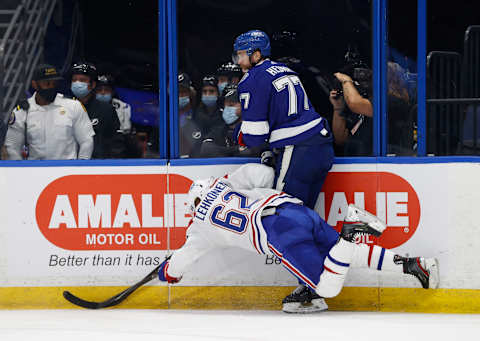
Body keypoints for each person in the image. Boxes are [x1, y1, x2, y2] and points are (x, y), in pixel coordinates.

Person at [157, 163, 439, 313]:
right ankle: (416, 266)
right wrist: (234, 182)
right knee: (346, 256)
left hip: (278, 231)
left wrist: (167, 273)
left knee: (326, 288)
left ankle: (350, 231)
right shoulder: (225, 185)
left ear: (194, 203)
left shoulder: (199, 225)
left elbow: (181, 261)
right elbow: (264, 173)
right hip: (294, 209)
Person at [233, 29, 334, 311]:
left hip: (298, 149)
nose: (239, 60)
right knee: (304, 217)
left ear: (255, 54)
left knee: (283, 218)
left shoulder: (252, 79)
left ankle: (313, 289)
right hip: (321, 146)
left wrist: (238, 136)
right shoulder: (284, 70)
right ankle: (319, 277)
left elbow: (253, 135)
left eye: (241, 54)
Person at [4, 64, 94, 160]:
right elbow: (12, 146)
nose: (51, 87)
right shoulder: (22, 111)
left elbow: (86, 140)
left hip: (67, 169)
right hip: (35, 170)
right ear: (35, 84)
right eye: (47, 84)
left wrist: (80, 167)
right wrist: (21, 171)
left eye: (54, 83)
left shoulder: (73, 106)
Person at [70, 62, 123, 159]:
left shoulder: (106, 109)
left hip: (98, 166)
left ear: (93, 84)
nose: (77, 83)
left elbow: (116, 143)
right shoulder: (64, 108)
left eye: (82, 80)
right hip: (66, 165)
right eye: (74, 80)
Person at [200, 84, 261, 158]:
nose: (228, 109)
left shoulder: (253, 129)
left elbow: (253, 151)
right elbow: (205, 149)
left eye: (231, 105)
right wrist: (236, 149)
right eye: (226, 105)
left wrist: (223, 152)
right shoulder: (220, 129)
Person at [178, 72, 203, 158]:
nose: (181, 95)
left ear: (190, 93)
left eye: (184, 92)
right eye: (178, 92)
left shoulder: (200, 116)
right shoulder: (166, 119)